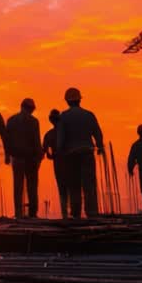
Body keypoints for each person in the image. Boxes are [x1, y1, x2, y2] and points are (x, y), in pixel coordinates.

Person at [56, 87, 104, 218]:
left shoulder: (63, 117)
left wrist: (59, 152)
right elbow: (97, 133)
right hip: (87, 153)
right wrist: (100, 147)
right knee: (89, 185)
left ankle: (76, 213)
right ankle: (92, 212)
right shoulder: (89, 115)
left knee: (74, 185)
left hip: (71, 156)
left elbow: (60, 138)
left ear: (67, 101)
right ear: (79, 100)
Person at [5, 98, 42, 219]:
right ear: (30, 109)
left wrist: (7, 156)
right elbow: (37, 142)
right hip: (31, 159)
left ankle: (18, 213)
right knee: (32, 186)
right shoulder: (34, 122)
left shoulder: (11, 121)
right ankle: (32, 214)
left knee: (18, 187)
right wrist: (38, 158)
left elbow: (7, 141)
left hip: (17, 158)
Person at [44, 108, 69, 219]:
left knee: (62, 188)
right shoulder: (67, 133)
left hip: (58, 162)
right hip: (69, 161)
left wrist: (51, 155)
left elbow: (45, 152)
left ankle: (65, 214)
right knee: (72, 186)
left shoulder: (49, 134)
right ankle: (73, 213)